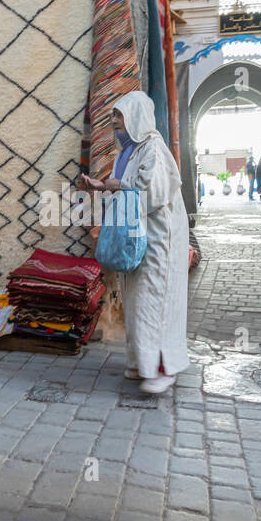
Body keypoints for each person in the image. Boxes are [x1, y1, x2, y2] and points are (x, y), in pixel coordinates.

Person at [77, 91, 188, 395]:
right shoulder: (129, 152)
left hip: (159, 236)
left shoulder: (155, 150)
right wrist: (101, 186)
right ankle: (142, 362)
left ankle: (164, 369)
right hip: (137, 235)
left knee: (156, 300)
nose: (116, 128)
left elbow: (151, 194)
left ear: (136, 120)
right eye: (114, 122)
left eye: (120, 121)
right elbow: (124, 187)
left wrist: (111, 185)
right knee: (137, 299)